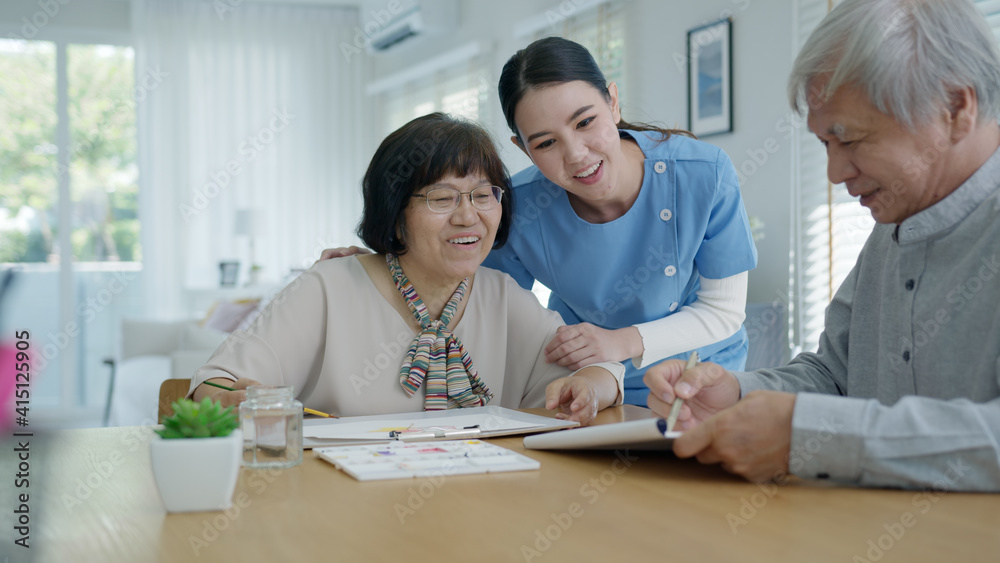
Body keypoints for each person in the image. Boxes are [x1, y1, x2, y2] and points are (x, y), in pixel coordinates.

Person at [645, 0, 1000, 490]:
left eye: (850, 139)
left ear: (956, 109)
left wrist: (813, 437)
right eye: (825, 146)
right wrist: (738, 394)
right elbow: (836, 376)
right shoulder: (895, 222)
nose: (835, 174)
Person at [323, 37, 758, 407]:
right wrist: (381, 266)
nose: (576, 155)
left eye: (586, 121)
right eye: (546, 142)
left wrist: (619, 341)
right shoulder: (521, 205)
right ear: (522, 147)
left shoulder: (703, 173)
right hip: (589, 388)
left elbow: (723, 311)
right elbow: (466, 296)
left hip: (700, 385)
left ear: (612, 101)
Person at [191, 113, 624, 424]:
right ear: (396, 212)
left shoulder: (502, 296)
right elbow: (215, 385)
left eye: (482, 194)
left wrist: (591, 387)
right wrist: (244, 398)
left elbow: (595, 371)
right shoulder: (329, 286)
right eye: (441, 198)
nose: (467, 216)